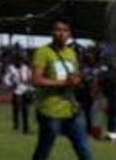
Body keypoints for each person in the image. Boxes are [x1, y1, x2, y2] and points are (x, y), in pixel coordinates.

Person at [30, 17, 94, 160]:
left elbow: (73, 76)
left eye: (65, 30)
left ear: (70, 33)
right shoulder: (43, 52)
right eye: (58, 30)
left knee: (84, 151)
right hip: (50, 111)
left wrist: (77, 80)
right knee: (43, 150)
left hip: (72, 110)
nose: (61, 33)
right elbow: (36, 79)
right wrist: (64, 83)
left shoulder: (71, 53)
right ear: (52, 32)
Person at [5, 54, 33, 133]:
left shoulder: (26, 68)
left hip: (25, 89)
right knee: (16, 109)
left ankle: (25, 128)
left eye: (20, 61)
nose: (19, 62)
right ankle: (16, 125)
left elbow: (30, 78)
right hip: (16, 90)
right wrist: (10, 84)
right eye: (17, 61)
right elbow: (6, 78)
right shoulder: (11, 68)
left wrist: (30, 86)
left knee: (25, 109)